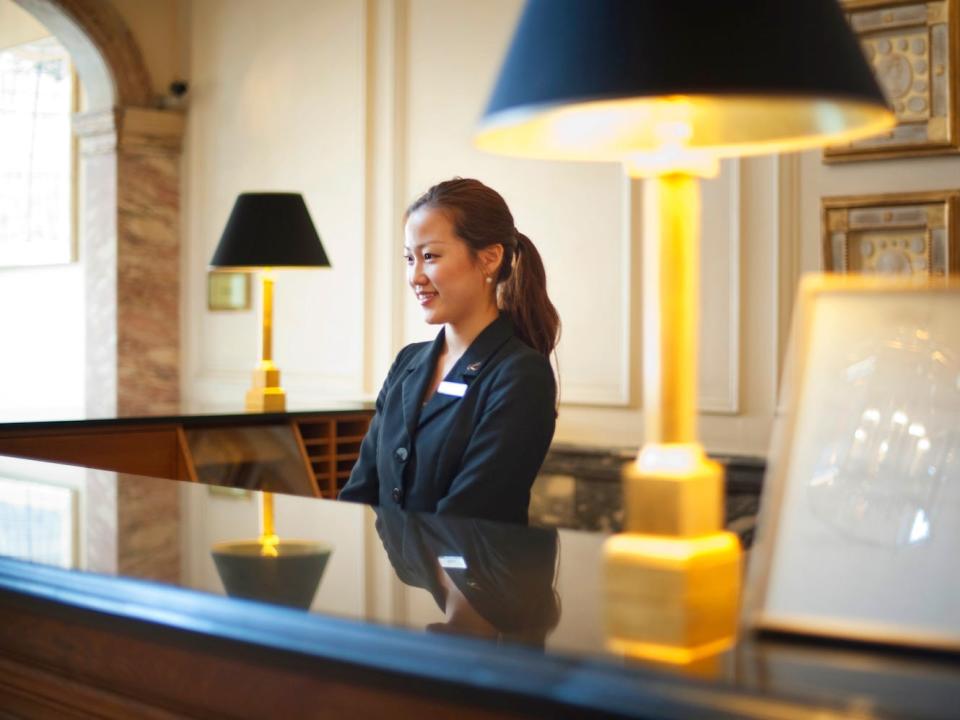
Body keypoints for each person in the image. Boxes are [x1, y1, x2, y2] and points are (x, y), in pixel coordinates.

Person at [338, 177, 560, 524]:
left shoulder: (520, 374)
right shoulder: (408, 362)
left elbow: (470, 515)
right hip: (392, 576)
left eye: (430, 256)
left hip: (473, 577)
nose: (416, 276)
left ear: (489, 259)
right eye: (410, 259)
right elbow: (361, 489)